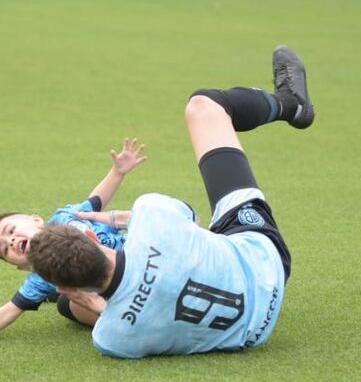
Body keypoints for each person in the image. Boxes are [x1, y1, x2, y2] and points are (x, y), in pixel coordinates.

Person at [27, 45, 313, 358]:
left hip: (255, 333)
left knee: (70, 309)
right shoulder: (151, 215)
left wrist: (91, 297)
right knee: (204, 105)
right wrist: (124, 224)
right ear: (92, 236)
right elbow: (193, 223)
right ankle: (292, 105)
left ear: (66, 287)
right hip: (264, 264)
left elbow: (108, 315)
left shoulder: (112, 339)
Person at [0, 138, 146, 346]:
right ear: (21, 266)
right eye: (5, 248)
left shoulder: (66, 218)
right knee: (68, 305)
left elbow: (95, 201)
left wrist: (117, 172)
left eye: (11, 230)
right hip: (114, 292)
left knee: (63, 297)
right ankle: (109, 316)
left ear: (35, 219)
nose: (11, 240)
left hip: (134, 261)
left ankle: (56, 295)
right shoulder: (42, 276)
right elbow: (10, 309)